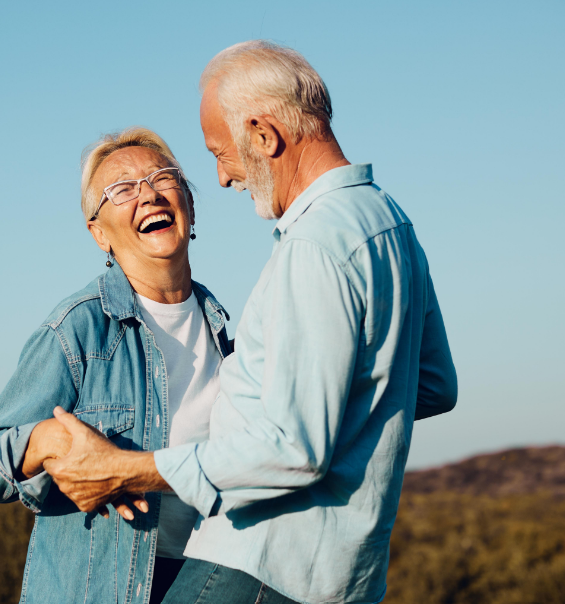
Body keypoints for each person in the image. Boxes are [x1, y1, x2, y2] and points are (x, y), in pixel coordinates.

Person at [44, 40, 458, 604]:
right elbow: (432, 384)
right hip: (348, 576)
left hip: (257, 566)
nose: (222, 177)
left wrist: (126, 469)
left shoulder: (313, 246)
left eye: (222, 152)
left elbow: (294, 449)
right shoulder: (389, 222)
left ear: (264, 135)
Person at [0, 127, 232, 604]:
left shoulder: (226, 334)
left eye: (162, 178)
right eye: (122, 189)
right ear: (99, 234)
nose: (148, 194)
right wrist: (47, 440)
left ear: (189, 205)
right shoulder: (77, 328)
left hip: (204, 581)